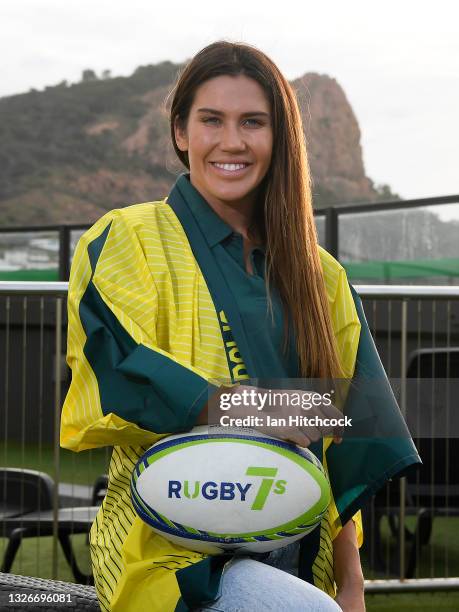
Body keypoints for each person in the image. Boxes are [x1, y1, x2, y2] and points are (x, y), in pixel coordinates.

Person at [60, 41, 420, 611]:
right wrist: (257, 409)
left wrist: (351, 586)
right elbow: (118, 366)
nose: (232, 141)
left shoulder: (321, 275)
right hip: (172, 557)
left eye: (253, 122)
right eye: (212, 121)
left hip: (301, 553)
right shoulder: (128, 237)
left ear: (279, 138)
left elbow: (343, 442)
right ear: (181, 132)